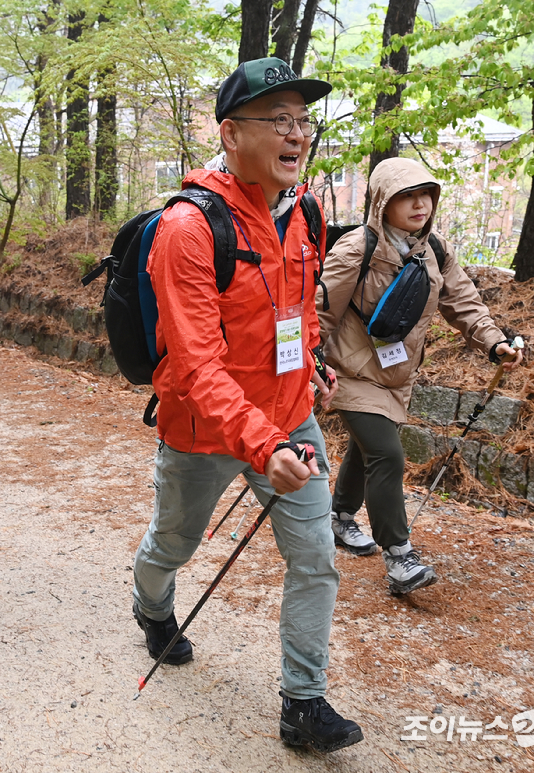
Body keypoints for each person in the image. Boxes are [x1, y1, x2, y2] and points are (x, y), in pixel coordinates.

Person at [132, 57, 363, 754]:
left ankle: (303, 701)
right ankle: (151, 605)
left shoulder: (305, 214)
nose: (297, 135)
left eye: (303, 120)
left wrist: (313, 364)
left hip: (290, 419)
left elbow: (299, 309)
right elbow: (198, 363)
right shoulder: (189, 228)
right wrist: (261, 444)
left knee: (316, 556)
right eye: (278, 120)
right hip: (205, 430)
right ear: (231, 135)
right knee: (173, 543)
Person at [316, 157, 523, 594]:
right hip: (351, 371)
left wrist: (494, 342)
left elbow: (464, 302)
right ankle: (399, 556)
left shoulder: (436, 251)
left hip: (396, 375)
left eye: (425, 194)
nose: (419, 204)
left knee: (368, 447)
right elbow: (320, 312)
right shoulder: (358, 249)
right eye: (406, 196)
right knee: (387, 454)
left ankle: (339, 516)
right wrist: (307, 365)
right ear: (382, 201)